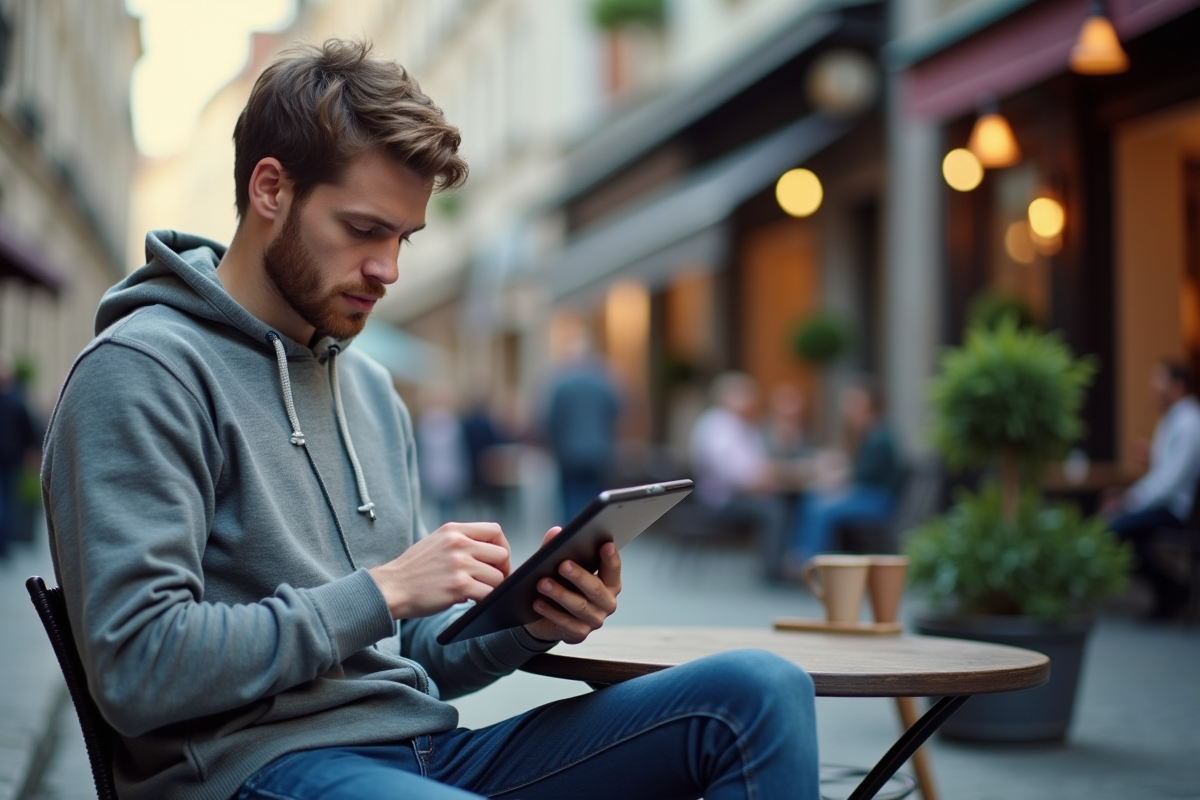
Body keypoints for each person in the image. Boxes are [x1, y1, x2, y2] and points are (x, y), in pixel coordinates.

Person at [40, 41, 818, 800]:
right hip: (258, 768)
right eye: (363, 229)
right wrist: (382, 589)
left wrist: (529, 618)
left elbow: (412, 653)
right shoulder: (142, 371)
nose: (390, 269)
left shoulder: (374, 391)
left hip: (425, 753)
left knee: (759, 691)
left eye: (403, 237)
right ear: (270, 190)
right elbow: (137, 667)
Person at [1103, 360, 1200, 618]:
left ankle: (1173, 589)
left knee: (1113, 530)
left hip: (1179, 511)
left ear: (1177, 387)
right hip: (1164, 504)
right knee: (1119, 531)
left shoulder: (1189, 422)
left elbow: (1170, 481)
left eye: (1159, 380)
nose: (1152, 387)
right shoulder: (1171, 420)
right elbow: (1163, 472)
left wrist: (1128, 500)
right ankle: (1170, 592)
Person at [788, 379, 902, 566]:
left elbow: (861, 476)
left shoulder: (879, 436)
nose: (847, 409)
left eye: (853, 403)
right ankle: (802, 555)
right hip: (865, 494)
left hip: (878, 500)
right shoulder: (865, 433)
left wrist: (834, 479)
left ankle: (814, 563)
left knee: (821, 507)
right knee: (813, 498)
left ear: (868, 406)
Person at [689, 372, 789, 580]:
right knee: (774, 510)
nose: (751, 401)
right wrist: (761, 479)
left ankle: (788, 563)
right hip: (722, 499)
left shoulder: (744, 426)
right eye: (745, 395)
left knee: (783, 504)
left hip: (742, 493)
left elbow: (761, 466)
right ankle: (773, 571)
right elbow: (736, 477)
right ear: (727, 397)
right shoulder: (718, 426)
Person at [543, 333, 621, 521]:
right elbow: (616, 411)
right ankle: (592, 534)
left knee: (570, 497)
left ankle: (572, 538)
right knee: (595, 497)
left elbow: (551, 420)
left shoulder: (561, 383)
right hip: (598, 450)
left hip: (568, 451)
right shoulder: (604, 382)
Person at [0, 356, 39, 560]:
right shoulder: (16, 401)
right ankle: (4, 542)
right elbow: (28, 429)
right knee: (7, 498)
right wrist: (30, 451)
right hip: (11, 456)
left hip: (9, 456)